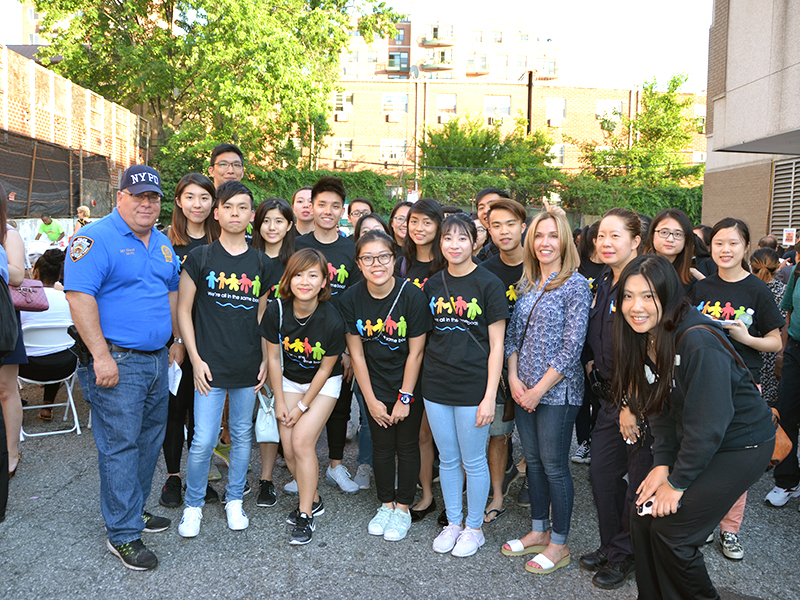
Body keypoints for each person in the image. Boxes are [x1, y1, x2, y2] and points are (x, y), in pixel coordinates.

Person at [614, 254, 774, 600]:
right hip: (701, 439)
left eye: (647, 296)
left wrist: (677, 482)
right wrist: (661, 463)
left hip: (740, 445)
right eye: (628, 296)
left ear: (668, 296)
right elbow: (659, 409)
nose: (635, 307)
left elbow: (709, 425)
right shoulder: (644, 336)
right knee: (642, 517)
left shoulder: (697, 339)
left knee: (674, 533)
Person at [64, 165, 181, 571]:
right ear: (120, 197)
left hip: (155, 361)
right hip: (117, 361)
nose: (146, 204)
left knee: (149, 442)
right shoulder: (95, 238)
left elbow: (170, 292)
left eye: (153, 198)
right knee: (120, 447)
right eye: (138, 196)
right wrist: (100, 356)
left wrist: (173, 342)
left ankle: (133, 511)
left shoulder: (163, 242)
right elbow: (79, 298)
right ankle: (123, 534)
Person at [176, 181, 275, 538]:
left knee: (241, 434)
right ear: (217, 213)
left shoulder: (261, 262)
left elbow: (265, 317)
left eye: (243, 207)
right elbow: (184, 311)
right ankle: (194, 505)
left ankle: (235, 499)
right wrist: (195, 357)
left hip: (248, 365)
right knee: (203, 440)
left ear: (252, 215)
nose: (236, 213)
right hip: (208, 366)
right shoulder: (200, 258)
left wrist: (266, 359)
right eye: (229, 206)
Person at [502, 210, 591, 574]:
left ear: (565, 241)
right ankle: (538, 531)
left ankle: (559, 542)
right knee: (533, 463)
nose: (545, 243)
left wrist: (538, 389)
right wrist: (512, 377)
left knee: (555, 467)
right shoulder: (527, 283)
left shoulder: (576, 285)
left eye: (553, 235)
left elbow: (572, 347)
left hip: (556, 393)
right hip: (523, 390)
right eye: (539, 236)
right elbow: (512, 337)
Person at [690, 218, 783, 559]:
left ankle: (729, 530)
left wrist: (747, 338)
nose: (725, 250)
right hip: (701, 384)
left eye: (732, 243)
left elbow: (775, 342)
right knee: (699, 455)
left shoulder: (757, 290)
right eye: (718, 243)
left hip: (743, 386)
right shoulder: (702, 288)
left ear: (746, 247)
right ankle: (699, 524)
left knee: (735, 459)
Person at [424, 214, 508, 557]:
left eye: (462, 239)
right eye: (447, 239)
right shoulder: (432, 284)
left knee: (474, 460)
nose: (454, 245)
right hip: (436, 384)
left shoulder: (488, 284)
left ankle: (474, 528)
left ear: (476, 242)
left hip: (474, 385)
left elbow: (497, 345)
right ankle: (454, 523)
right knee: (447, 459)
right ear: (440, 243)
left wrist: (490, 396)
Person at [339, 230, 431, 541]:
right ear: (359, 263)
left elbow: (416, 351)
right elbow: (357, 354)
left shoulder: (412, 296)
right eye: (368, 258)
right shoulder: (350, 298)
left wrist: (405, 397)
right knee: (381, 445)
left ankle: (403, 507)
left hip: (407, 380)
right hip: (373, 382)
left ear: (395, 260)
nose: (376, 264)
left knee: (405, 445)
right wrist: (370, 399)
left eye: (383, 257)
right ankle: (385, 503)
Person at [581, 207, 649, 590]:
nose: (605, 243)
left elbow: (651, 348)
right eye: (601, 236)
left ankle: (627, 554)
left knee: (637, 481)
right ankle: (614, 545)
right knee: (602, 475)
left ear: (636, 241)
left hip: (639, 403)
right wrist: (591, 364)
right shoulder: (605, 278)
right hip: (609, 397)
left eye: (615, 236)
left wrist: (631, 406)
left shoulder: (645, 281)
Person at [261, 248, 346, 544]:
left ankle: (306, 513)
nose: (305, 281)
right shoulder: (277, 310)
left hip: (322, 385)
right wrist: (281, 402)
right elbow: (273, 359)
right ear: (289, 278)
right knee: (289, 446)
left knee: (301, 442)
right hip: (289, 381)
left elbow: (325, 370)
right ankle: (315, 497)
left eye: (313, 275)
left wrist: (301, 406)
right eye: (298, 274)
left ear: (324, 281)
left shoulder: (333, 319)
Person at [159, 173, 221, 509]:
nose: (197, 205)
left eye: (204, 198)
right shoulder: (165, 242)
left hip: (212, 340)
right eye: (190, 197)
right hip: (176, 341)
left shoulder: (223, 241)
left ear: (214, 203)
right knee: (175, 409)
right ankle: (173, 478)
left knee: (203, 414)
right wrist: (178, 339)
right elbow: (166, 295)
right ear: (179, 202)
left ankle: (200, 475)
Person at [295, 176, 360, 494]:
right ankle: (297, 469)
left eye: (335, 206)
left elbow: (356, 301)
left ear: (343, 211)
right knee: (297, 401)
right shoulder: (296, 245)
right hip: (299, 339)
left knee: (339, 405)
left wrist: (349, 348)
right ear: (312, 206)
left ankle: (335, 465)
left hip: (338, 342)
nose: (327, 211)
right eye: (322, 204)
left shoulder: (351, 249)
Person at [395, 198, 446, 521]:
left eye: (427, 222)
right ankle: (425, 496)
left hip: (442, 360)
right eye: (414, 221)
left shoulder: (447, 264)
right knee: (419, 435)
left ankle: (456, 502)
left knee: (449, 437)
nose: (419, 228)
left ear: (439, 226)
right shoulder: (400, 264)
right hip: (405, 359)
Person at [479, 198, 527, 523]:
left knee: (541, 438)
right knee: (499, 432)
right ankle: (497, 493)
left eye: (510, 224)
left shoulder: (542, 264)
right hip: (498, 363)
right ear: (488, 229)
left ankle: (535, 484)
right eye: (496, 225)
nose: (504, 231)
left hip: (538, 363)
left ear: (524, 226)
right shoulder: (484, 272)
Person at [250, 196, 296, 507]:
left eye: (279, 221)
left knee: (287, 414)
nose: (272, 227)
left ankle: (299, 473)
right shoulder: (247, 257)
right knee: (266, 412)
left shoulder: (298, 261)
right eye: (266, 220)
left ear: (289, 225)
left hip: (291, 349)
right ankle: (265, 479)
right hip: (253, 345)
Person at [18, 250, 76, 421]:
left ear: (35, 272)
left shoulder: (22, 299)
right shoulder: (69, 299)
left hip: (27, 366)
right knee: (57, 347)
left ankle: (11, 403)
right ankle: (47, 406)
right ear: (59, 276)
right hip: (64, 366)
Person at [769, 252, 800, 510]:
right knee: (786, 412)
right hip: (795, 351)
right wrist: (782, 352)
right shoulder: (798, 271)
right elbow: (788, 314)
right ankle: (787, 482)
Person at [572, 222, 604, 466]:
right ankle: (584, 442)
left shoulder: (613, 268)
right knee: (582, 395)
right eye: (601, 236)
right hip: (578, 339)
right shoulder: (579, 266)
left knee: (600, 394)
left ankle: (598, 440)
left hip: (602, 338)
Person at [0, 183, 25, 479]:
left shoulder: (9, 234)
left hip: (3, 317)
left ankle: (11, 452)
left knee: (6, 390)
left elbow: (18, 274)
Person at [749, 248, 786, 406]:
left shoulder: (746, 289)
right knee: (770, 402)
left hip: (749, 351)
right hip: (774, 352)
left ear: (751, 266)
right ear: (778, 267)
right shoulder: (783, 292)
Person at [644, 209, 704, 295]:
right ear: (652, 235)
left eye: (678, 234)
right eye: (664, 232)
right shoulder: (640, 270)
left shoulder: (691, 280)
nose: (670, 239)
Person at [474, 187, 511, 261]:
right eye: (481, 208)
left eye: (492, 205)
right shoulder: (484, 255)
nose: (486, 211)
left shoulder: (528, 240)